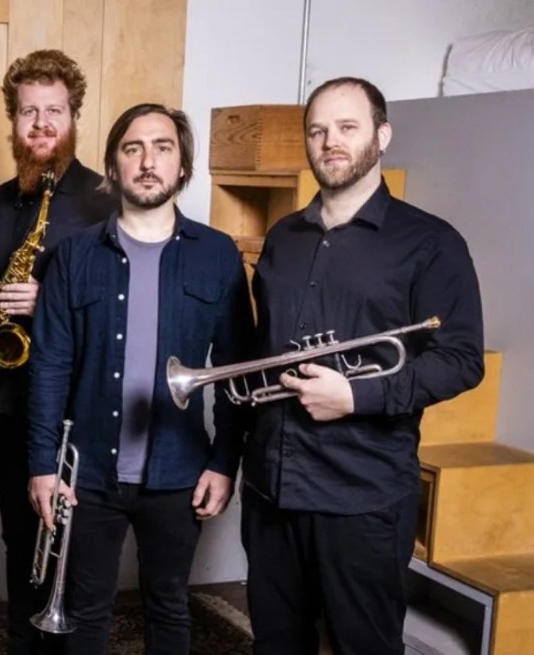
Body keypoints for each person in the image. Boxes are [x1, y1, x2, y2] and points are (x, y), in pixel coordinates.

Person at [243, 77, 484, 655]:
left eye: (347, 127)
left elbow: (461, 360)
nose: (330, 141)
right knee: (274, 644)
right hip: (272, 490)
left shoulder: (431, 242)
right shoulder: (283, 238)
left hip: (362, 496)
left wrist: (358, 396)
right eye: (318, 130)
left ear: (382, 135)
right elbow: (263, 349)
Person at [26, 103, 254, 655]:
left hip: (180, 473)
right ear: (113, 166)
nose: (148, 161)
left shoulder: (218, 255)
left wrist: (225, 462)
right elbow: (49, 366)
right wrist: (41, 465)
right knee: (85, 611)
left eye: (163, 148)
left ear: (182, 166)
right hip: (88, 475)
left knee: (170, 606)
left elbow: (236, 372)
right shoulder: (74, 256)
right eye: (134, 149)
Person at [0, 49, 118, 655]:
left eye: (54, 111)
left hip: (74, 410)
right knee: (18, 539)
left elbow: (122, 306)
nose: (42, 124)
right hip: (5, 405)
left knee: (75, 545)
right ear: (14, 119)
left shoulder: (105, 201)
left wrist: (51, 299)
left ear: (73, 117)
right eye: (28, 112)